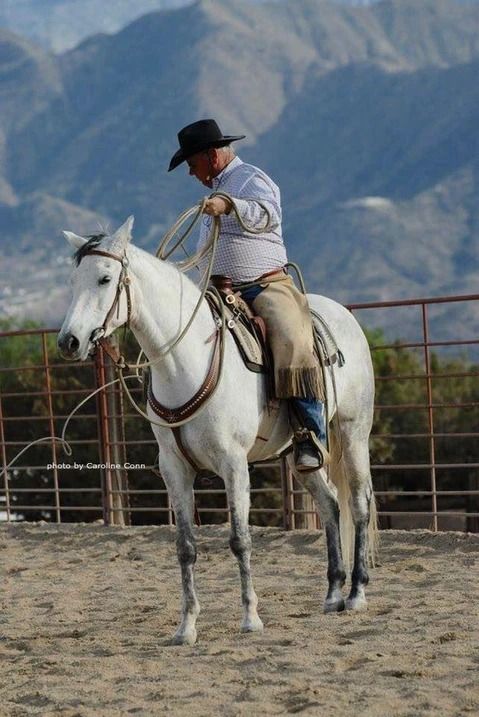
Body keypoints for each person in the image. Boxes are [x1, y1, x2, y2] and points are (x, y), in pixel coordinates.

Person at [168, 119, 329, 471]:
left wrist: (229, 204)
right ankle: (195, 441)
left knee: (290, 336)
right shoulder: (213, 193)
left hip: (265, 286)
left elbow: (268, 215)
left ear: (211, 156)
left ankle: (310, 435)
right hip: (217, 291)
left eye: (192, 165)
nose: (191, 174)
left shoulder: (252, 179)